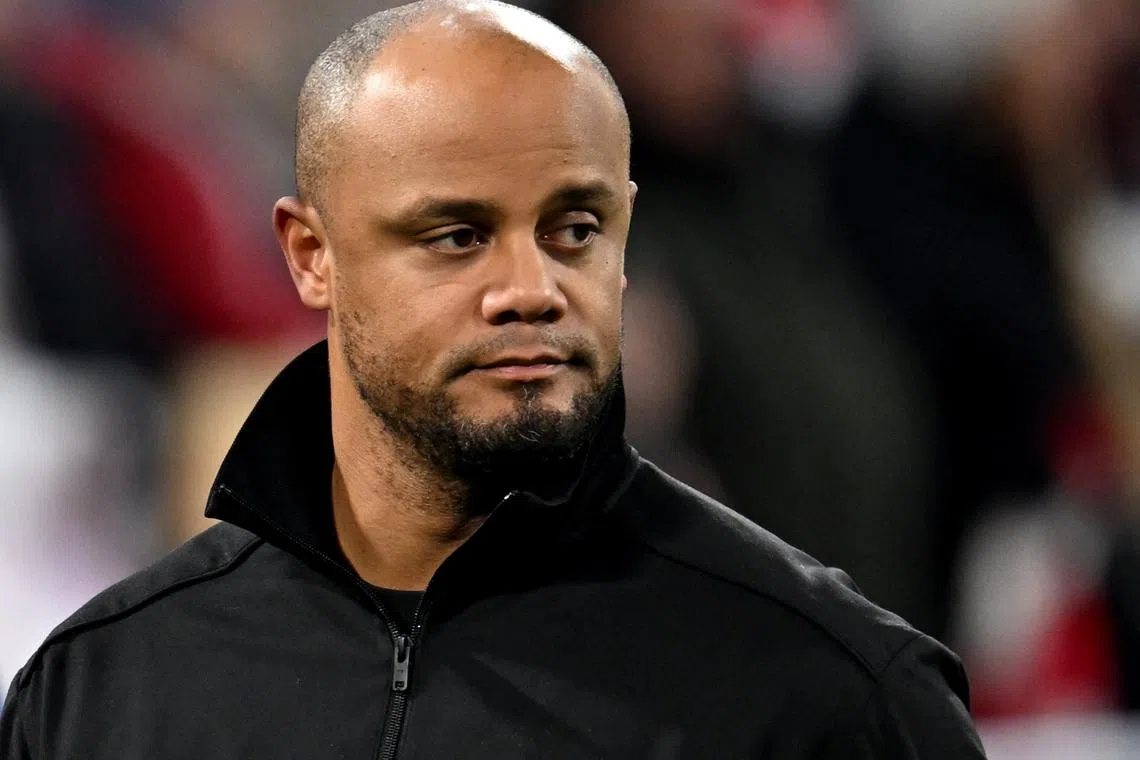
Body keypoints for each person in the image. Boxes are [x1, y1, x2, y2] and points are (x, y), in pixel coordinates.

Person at [0, 1, 986, 756]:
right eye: (457, 235)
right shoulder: (102, 689)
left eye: (576, 229)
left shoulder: (837, 691)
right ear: (312, 255)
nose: (531, 289)